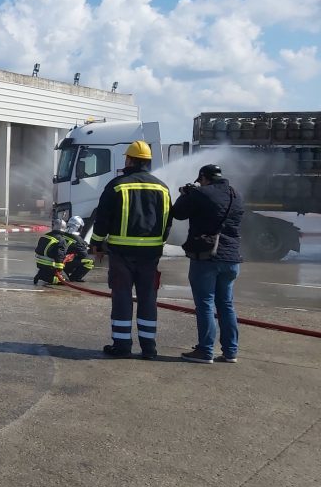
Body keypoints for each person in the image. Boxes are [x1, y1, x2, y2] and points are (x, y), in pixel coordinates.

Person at [90, 141, 172, 360]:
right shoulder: (162, 188)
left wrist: (96, 244)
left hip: (121, 254)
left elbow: (102, 219)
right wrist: (158, 243)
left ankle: (122, 346)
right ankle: (149, 349)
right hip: (151, 255)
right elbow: (167, 222)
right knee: (148, 298)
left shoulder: (117, 185)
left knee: (122, 297)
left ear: (129, 160)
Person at [172, 163, 244, 364]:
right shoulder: (236, 194)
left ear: (204, 178)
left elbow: (177, 213)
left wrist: (186, 194)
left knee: (205, 304)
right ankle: (231, 352)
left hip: (207, 257)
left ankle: (205, 351)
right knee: (226, 304)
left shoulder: (200, 193)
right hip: (231, 258)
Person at [33, 219, 69, 285]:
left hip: (39, 263)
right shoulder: (61, 239)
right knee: (64, 281)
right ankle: (42, 276)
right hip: (50, 264)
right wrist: (59, 267)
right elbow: (60, 254)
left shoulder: (45, 235)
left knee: (58, 275)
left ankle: (41, 273)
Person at [61, 216, 94, 282]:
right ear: (78, 227)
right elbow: (84, 256)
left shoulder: (62, 234)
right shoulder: (78, 239)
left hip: (56, 262)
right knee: (89, 261)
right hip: (65, 263)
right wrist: (85, 248)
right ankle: (74, 277)